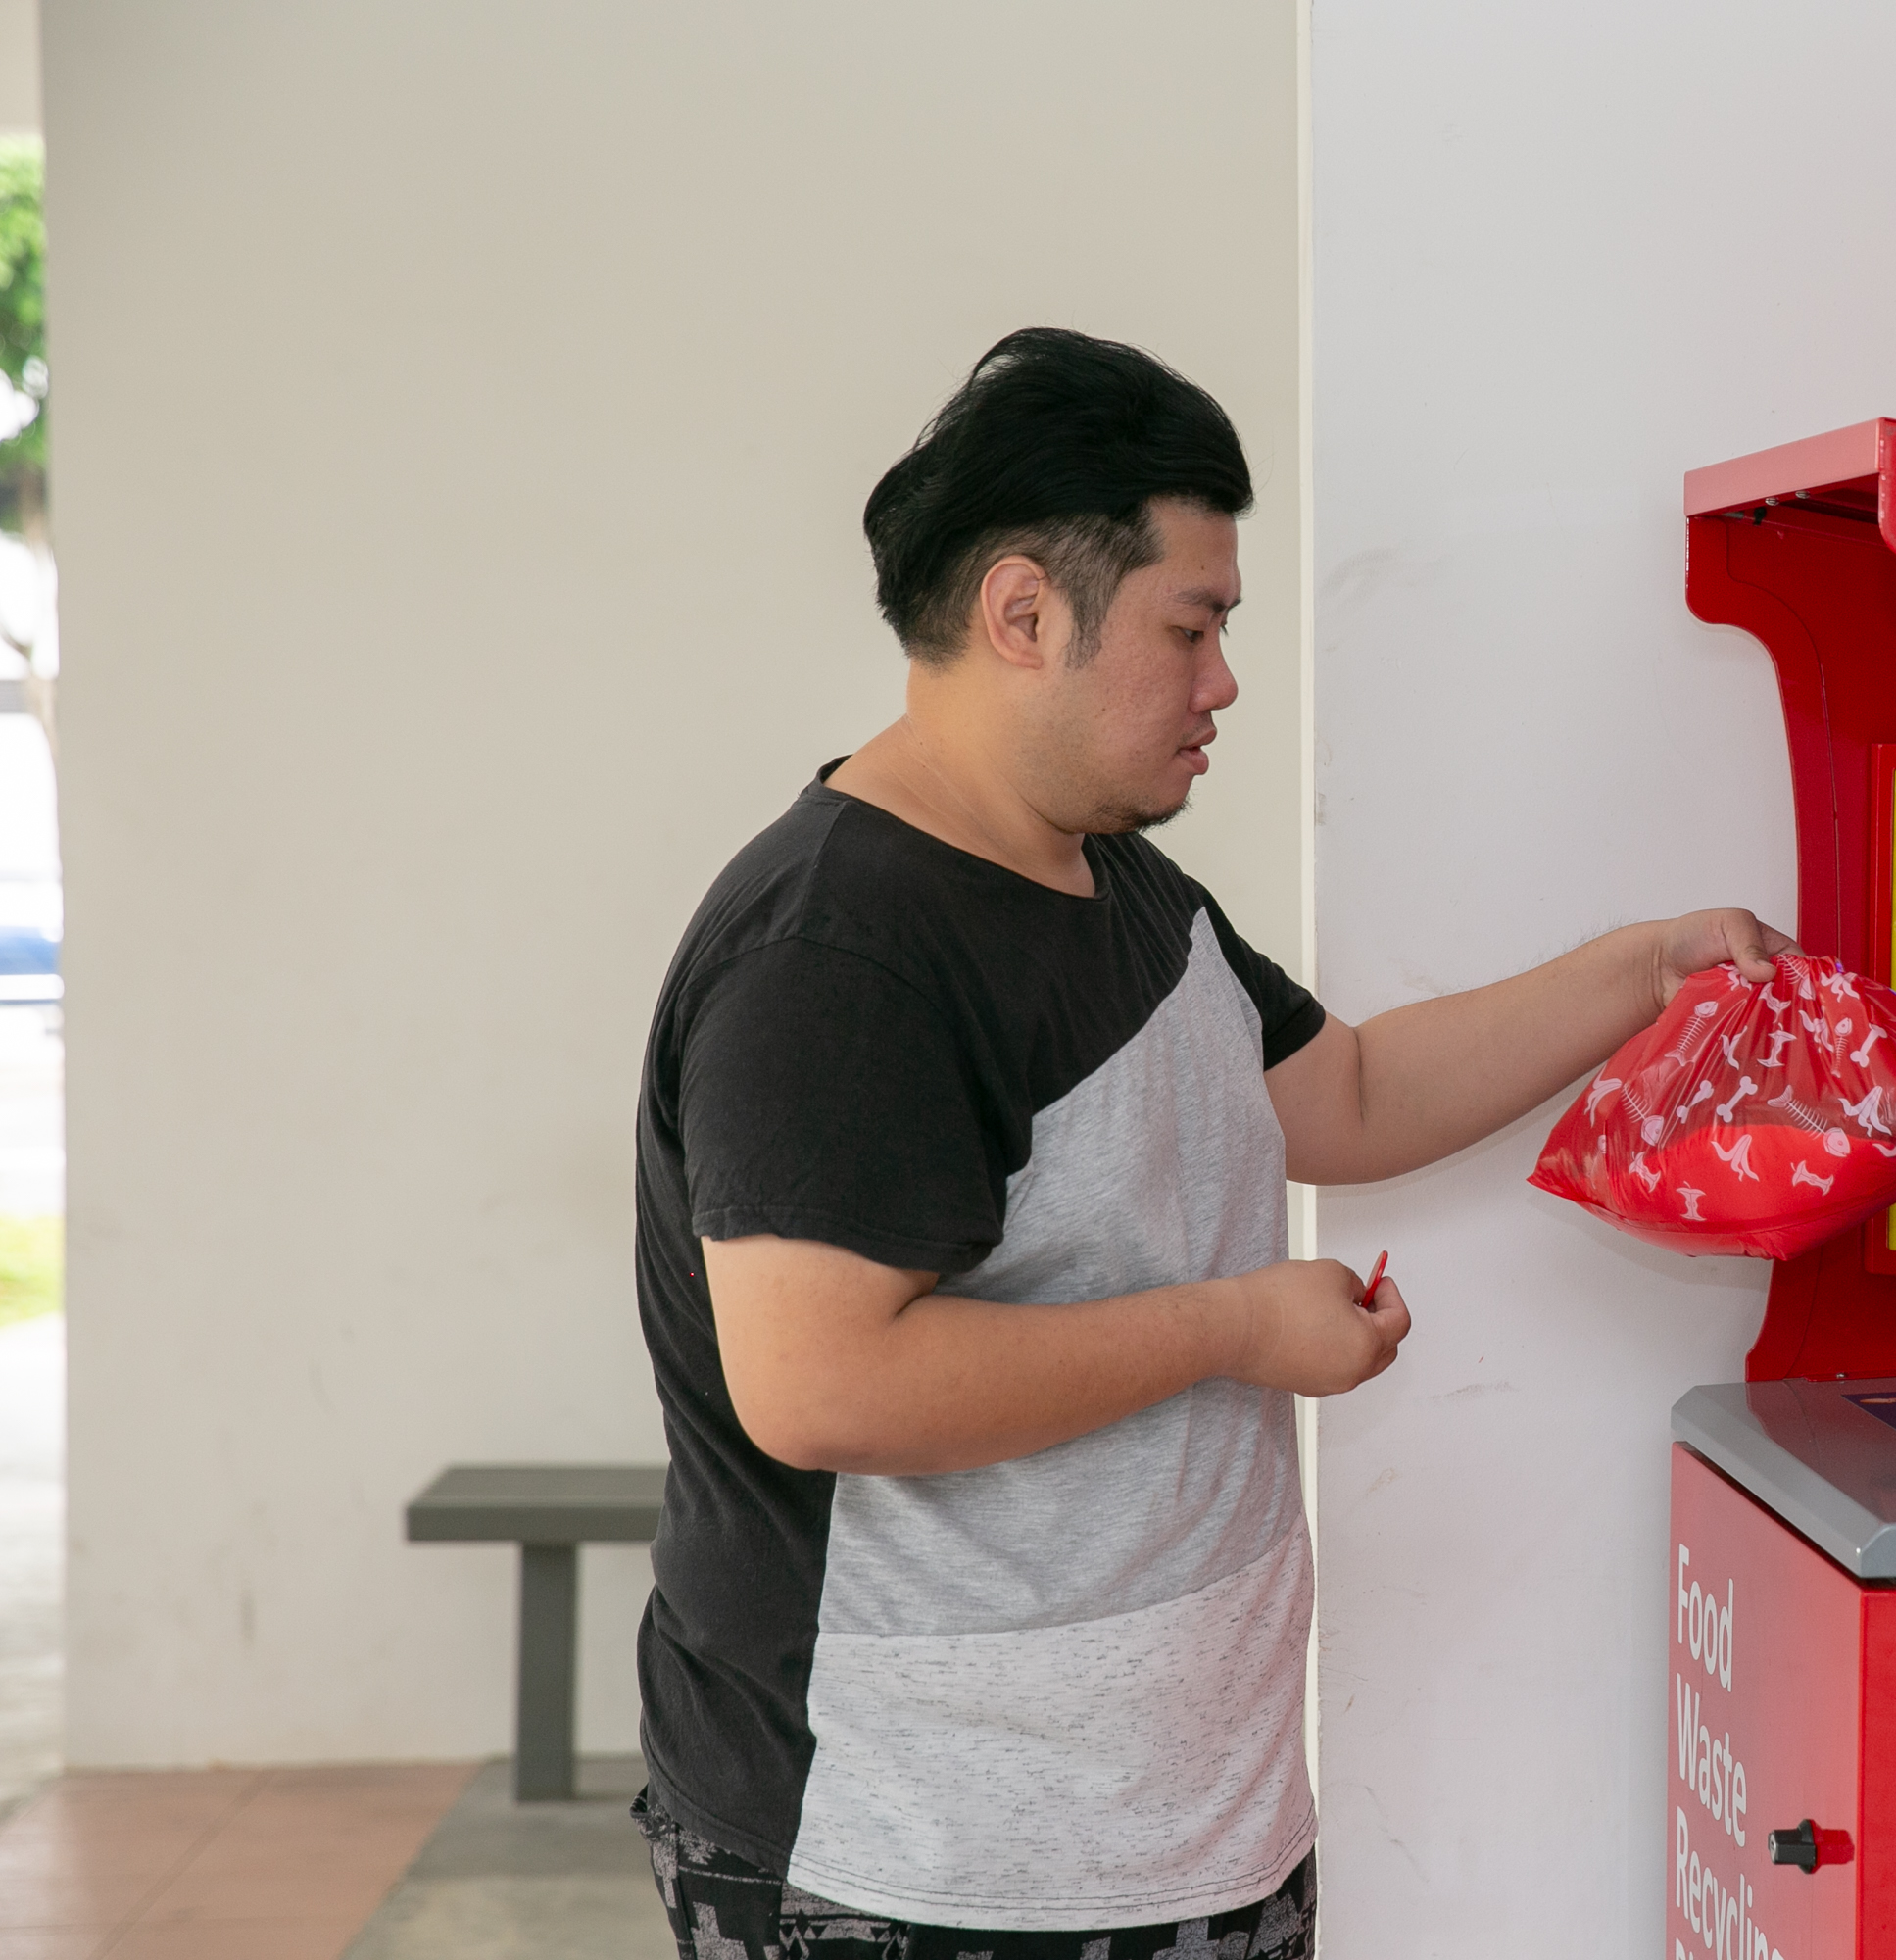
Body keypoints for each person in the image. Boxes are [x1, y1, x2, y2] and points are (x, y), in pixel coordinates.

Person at [629, 326, 1790, 1958]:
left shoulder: (1120, 888)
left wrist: (1639, 971)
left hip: (1180, 1831)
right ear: (1023, 614)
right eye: (1194, 626)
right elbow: (823, 1385)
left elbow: (1355, 1094)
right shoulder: (840, 951)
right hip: (916, 1866)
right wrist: (1243, 1325)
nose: (1225, 679)